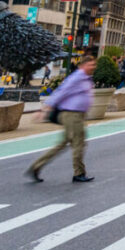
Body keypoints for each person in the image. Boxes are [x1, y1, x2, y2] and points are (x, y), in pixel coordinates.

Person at [28, 55, 95, 184]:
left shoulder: (86, 78)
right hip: (72, 114)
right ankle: (79, 173)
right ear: (83, 65)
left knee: (63, 144)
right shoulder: (76, 77)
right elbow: (61, 91)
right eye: (90, 65)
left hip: (77, 115)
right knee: (78, 143)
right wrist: (45, 109)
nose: (93, 67)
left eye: (94, 65)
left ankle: (36, 166)